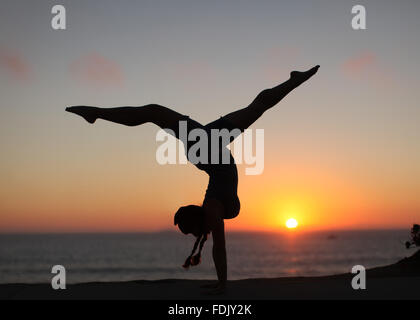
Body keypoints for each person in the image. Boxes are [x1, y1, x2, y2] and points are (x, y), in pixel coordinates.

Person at [66, 65, 320, 294]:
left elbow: (217, 246)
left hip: (208, 148)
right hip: (209, 147)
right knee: (255, 106)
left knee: (155, 112)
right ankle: (294, 80)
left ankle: (96, 113)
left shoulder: (212, 209)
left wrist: (221, 282)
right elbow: (218, 247)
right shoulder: (212, 209)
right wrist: (222, 284)